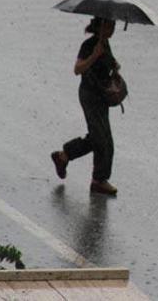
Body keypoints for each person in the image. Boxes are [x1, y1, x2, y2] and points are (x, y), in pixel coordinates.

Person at [51, 17, 120, 195]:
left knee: (102, 138)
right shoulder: (90, 45)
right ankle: (98, 180)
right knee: (100, 138)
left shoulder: (105, 44)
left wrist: (114, 65)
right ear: (100, 26)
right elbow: (78, 69)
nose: (112, 29)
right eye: (109, 25)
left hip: (101, 97)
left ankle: (63, 156)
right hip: (90, 96)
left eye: (114, 25)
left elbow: (104, 67)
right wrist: (93, 56)